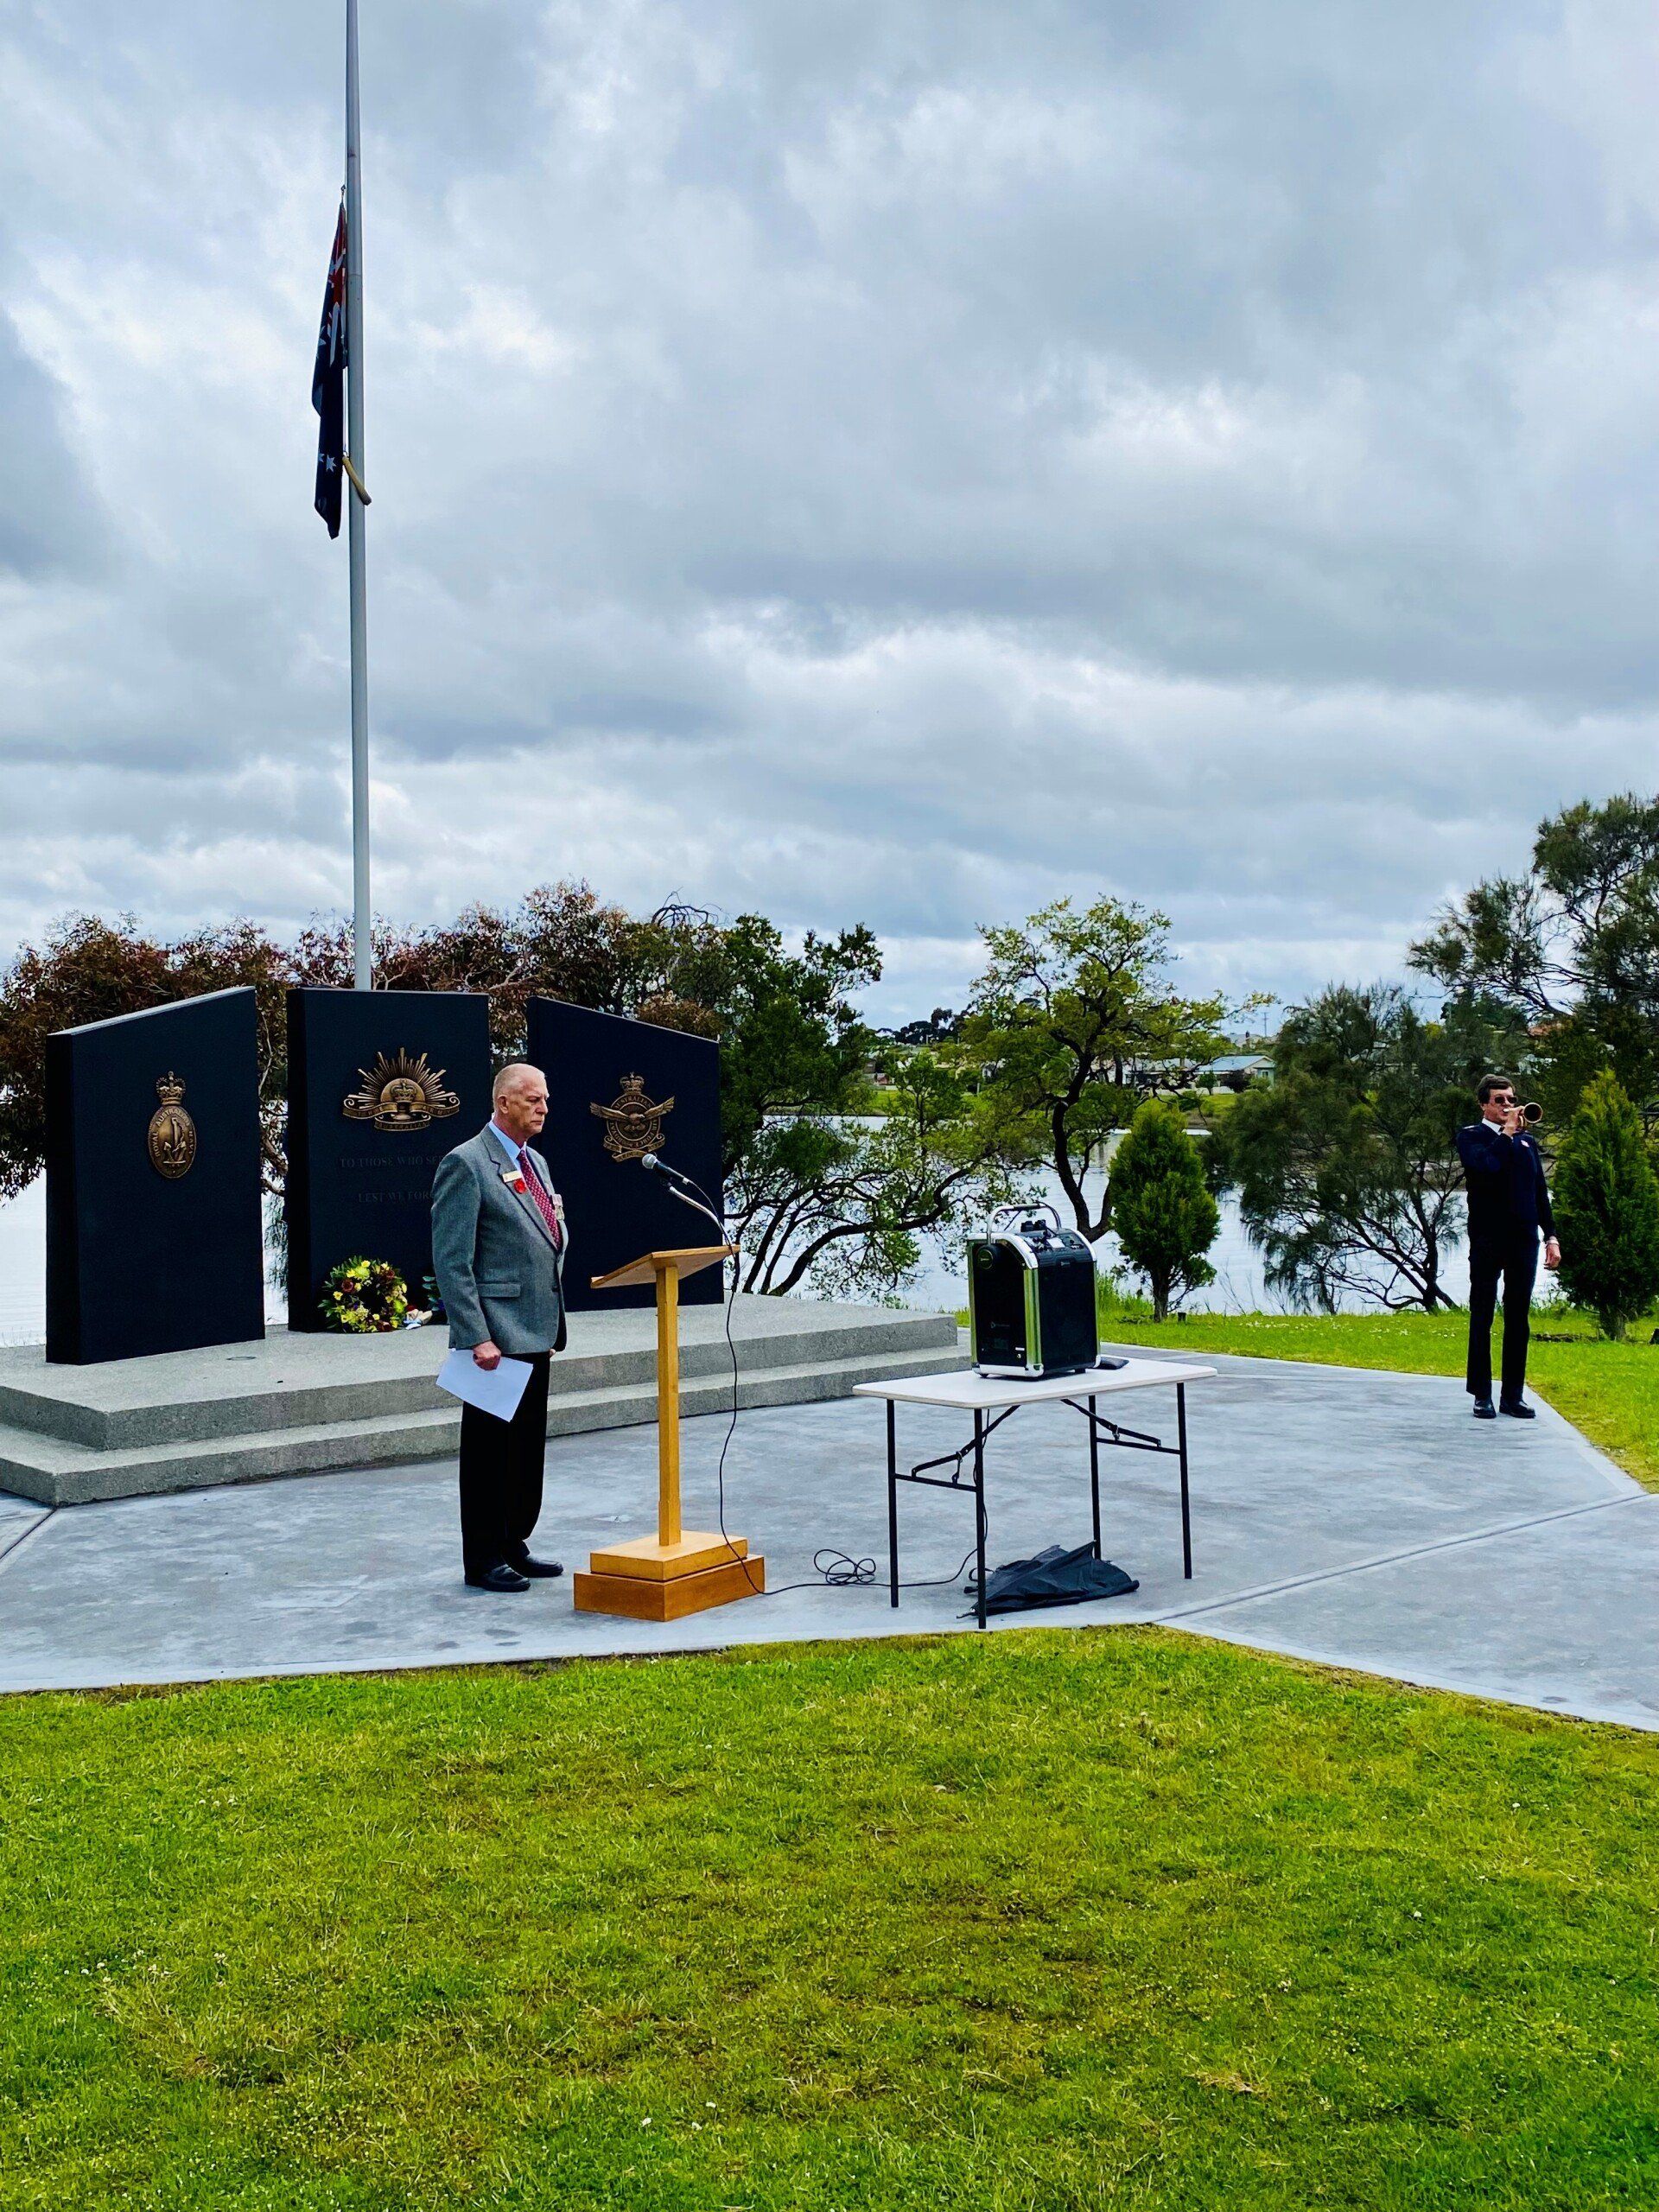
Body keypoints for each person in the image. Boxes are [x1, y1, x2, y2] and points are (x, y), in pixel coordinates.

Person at [430, 1063, 569, 1591]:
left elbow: (545, 1240)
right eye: (533, 1100)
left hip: (535, 1332)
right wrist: (475, 1335)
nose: (543, 1108)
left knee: (525, 1451)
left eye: (546, 1099)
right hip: (494, 1337)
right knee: (489, 1455)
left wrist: (550, 1319)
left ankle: (513, 1543)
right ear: (504, 1102)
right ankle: (483, 1558)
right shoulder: (466, 1164)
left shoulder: (537, 1164)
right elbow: (453, 1261)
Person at [1455, 1073, 1560, 1422]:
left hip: (1522, 1242)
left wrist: (1551, 1236)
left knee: (1518, 1318)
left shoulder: (1527, 1142)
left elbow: (1538, 1192)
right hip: (1487, 1239)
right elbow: (1487, 1167)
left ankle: (1512, 1395)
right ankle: (1481, 1395)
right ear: (1484, 1104)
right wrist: (1506, 1134)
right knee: (1482, 1315)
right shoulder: (1472, 1138)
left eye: (1510, 1099)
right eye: (1499, 1100)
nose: (1507, 1106)